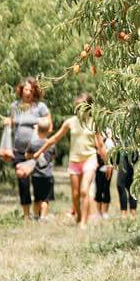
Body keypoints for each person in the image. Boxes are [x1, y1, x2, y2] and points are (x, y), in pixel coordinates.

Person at [40, 92, 105, 227]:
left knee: (84, 190)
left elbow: (100, 145)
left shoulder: (94, 123)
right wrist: (40, 150)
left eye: (82, 106)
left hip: (90, 159)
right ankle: (79, 215)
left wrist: (109, 164)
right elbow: (55, 138)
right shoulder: (70, 122)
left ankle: (83, 222)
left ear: (89, 107)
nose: (79, 109)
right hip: (74, 161)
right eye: (77, 106)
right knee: (75, 195)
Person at [3, 78, 51, 219]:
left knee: (38, 182)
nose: (28, 92)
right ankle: (26, 215)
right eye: (25, 89)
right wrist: (7, 122)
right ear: (21, 90)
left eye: (31, 90)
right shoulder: (15, 106)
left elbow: (49, 126)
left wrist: (39, 137)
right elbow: (12, 124)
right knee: (23, 182)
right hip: (19, 151)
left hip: (36, 151)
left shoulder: (40, 107)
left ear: (35, 91)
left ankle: (38, 213)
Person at [16, 120, 63, 220]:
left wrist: (33, 156)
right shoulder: (52, 144)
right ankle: (43, 217)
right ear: (48, 131)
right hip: (48, 175)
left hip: (36, 175)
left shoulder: (32, 144)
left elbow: (26, 155)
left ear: (37, 131)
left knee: (37, 198)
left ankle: (36, 215)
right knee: (45, 199)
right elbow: (54, 156)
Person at [93, 127, 115, 218]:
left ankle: (105, 212)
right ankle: (98, 212)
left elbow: (112, 156)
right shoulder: (97, 143)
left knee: (106, 189)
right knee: (98, 190)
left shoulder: (109, 142)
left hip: (107, 168)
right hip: (99, 168)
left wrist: (110, 167)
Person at [116, 146, 139, 217]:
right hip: (130, 155)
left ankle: (124, 214)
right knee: (130, 186)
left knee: (121, 184)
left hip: (126, 153)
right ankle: (132, 214)